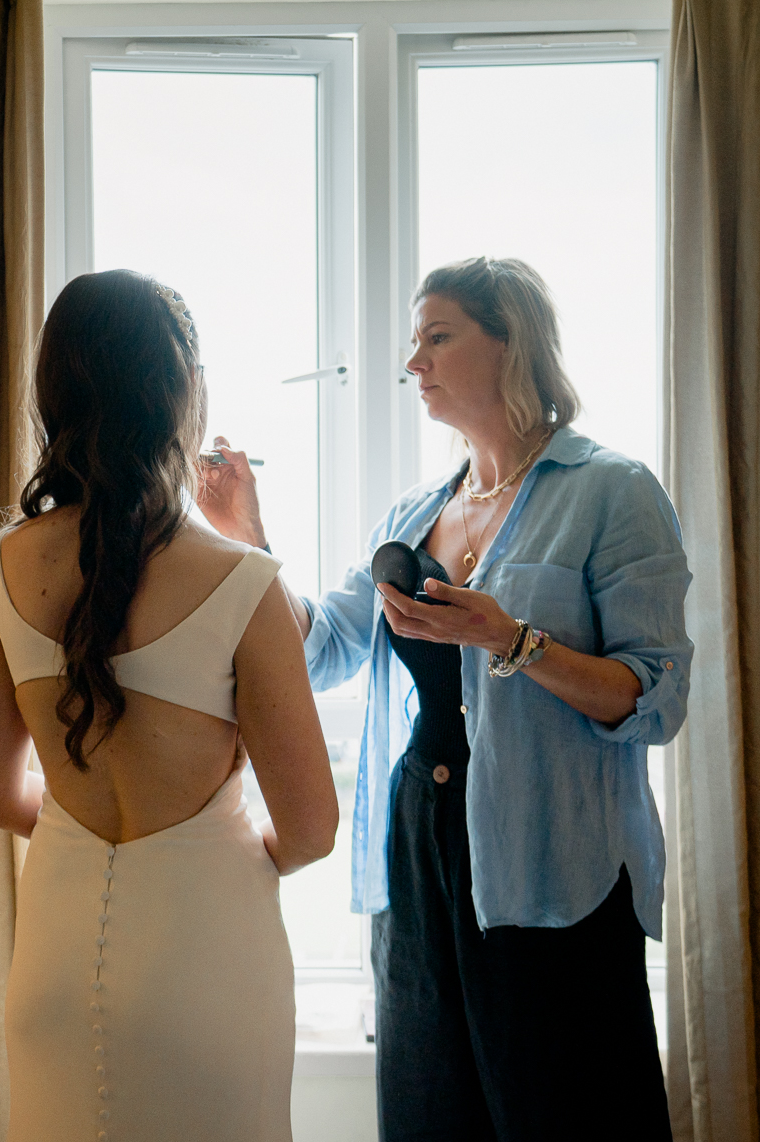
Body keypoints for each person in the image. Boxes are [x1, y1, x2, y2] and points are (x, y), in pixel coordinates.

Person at [198, 256, 689, 1141]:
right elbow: (319, 649)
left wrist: (511, 639)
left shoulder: (613, 492)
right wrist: (248, 538)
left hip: (554, 869)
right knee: (433, 1114)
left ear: (510, 343)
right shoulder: (413, 514)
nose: (412, 361)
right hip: (421, 863)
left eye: (436, 337)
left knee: (569, 1110)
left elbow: (654, 698)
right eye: (410, 343)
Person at [0, 268, 339, 1142]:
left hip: (53, 955)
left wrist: (77, 836)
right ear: (180, 396)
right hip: (202, 959)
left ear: (53, 393)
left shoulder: (4, 565)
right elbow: (311, 829)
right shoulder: (244, 584)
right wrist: (201, 854)